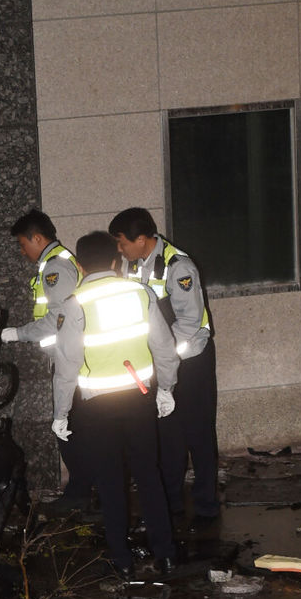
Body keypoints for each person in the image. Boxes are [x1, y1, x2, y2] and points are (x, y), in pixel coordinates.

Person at [52, 231, 178, 578]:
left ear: (78, 265)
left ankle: (121, 559)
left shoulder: (74, 304)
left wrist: (61, 413)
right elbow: (165, 347)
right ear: (115, 261)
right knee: (149, 474)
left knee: (109, 480)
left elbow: (66, 367)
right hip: (139, 397)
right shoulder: (141, 293)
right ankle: (165, 553)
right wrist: (166, 388)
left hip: (97, 406)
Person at [108, 208, 219, 531]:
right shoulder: (130, 265)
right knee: (167, 434)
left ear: (142, 239)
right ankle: (171, 504)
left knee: (197, 433)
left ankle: (207, 505)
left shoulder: (178, 266)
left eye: (122, 242)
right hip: (159, 361)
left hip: (190, 360)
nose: (119, 249)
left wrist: (166, 359)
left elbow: (189, 323)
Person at [0, 208, 92, 514]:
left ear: (37, 238)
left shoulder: (56, 268)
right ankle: (86, 491)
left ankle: (82, 494)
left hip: (71, 360)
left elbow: (57, 319)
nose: (21, 250)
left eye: (22, 243)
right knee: (74, 429)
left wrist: (15, 334)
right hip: (67, 356)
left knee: (68, 429)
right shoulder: (56, 263)